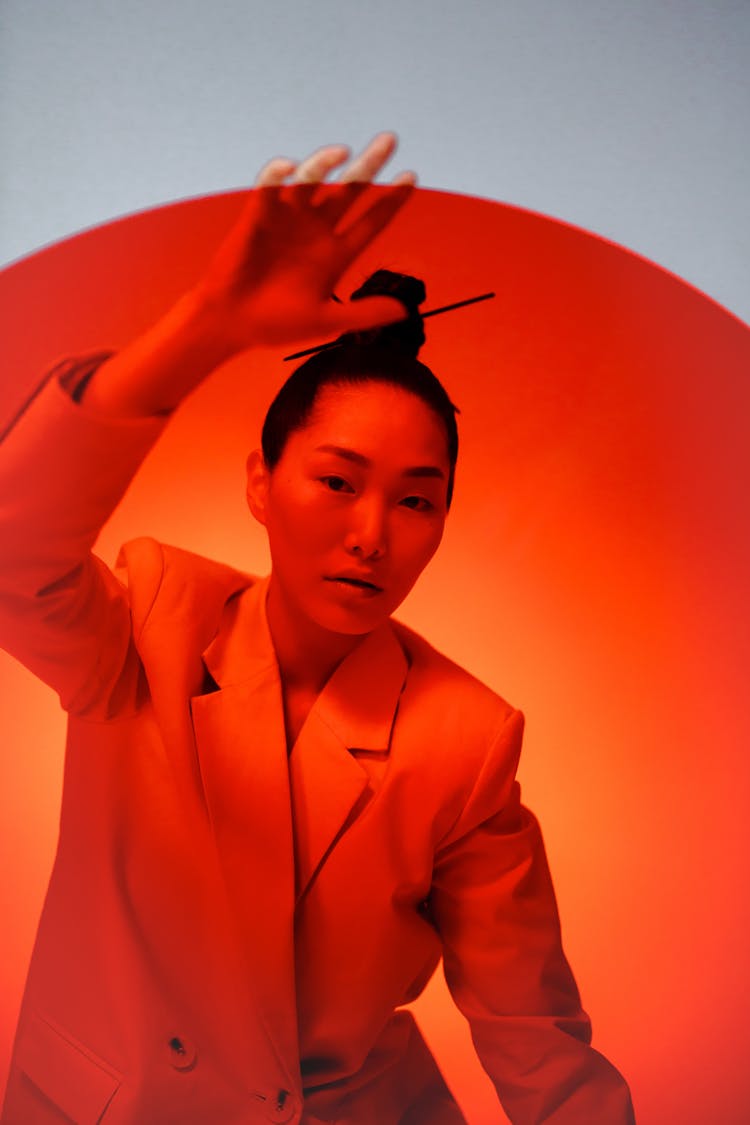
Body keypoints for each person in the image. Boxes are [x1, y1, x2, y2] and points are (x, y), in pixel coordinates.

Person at [0, 133, 635, 1124]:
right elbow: (10, 550)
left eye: (416, 502)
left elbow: (538, 1041)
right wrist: (209, 325)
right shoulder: (150, 621)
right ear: (261, 482)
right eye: (336, 482)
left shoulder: (465, 738)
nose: (371, 535)